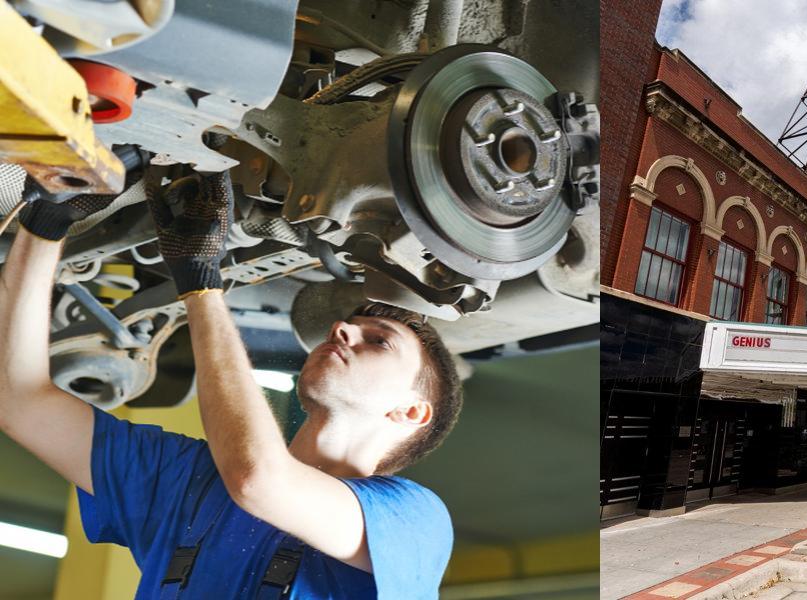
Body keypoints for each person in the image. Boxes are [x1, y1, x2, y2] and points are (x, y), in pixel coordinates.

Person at [0, 170, 463, 598]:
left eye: (380, 342)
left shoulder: (414, 521)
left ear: (411, 412)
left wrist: (201, 285)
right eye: (346, 326)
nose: (342, 330)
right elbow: (21, 400)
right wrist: (46, 222)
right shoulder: (189, 480)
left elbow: (257, 479)